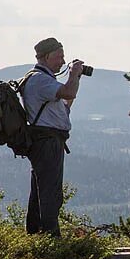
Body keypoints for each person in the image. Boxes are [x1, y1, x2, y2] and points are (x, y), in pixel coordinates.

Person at [20, 37, 85, 237]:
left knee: (41, 190)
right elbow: (68, 92)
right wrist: (74, 74)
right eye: (59, 57)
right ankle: (50, 238)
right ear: (46, 57)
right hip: (46, 142)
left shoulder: (42, 80)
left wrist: (76, 79)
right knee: (50, 192)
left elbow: (64, 107)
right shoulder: (40, 80)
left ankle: (35, 234)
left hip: (46, 141)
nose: (62, 62)